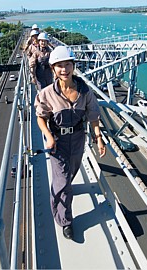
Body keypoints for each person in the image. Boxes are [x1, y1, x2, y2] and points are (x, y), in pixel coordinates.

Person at [34, 46, 106, 240]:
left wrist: (98, 139)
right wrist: (48, 136)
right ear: (53, 69)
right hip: (57, 142)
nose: (64, 69)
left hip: (78, 139)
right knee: (64, 182)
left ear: (73, 66)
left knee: (69, 175)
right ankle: (65, 221)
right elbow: (40, 117)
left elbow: (93, 116)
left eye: (67, 64)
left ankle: (59, 194)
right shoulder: (47, 94)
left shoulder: (84, 91)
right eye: (59, 66)